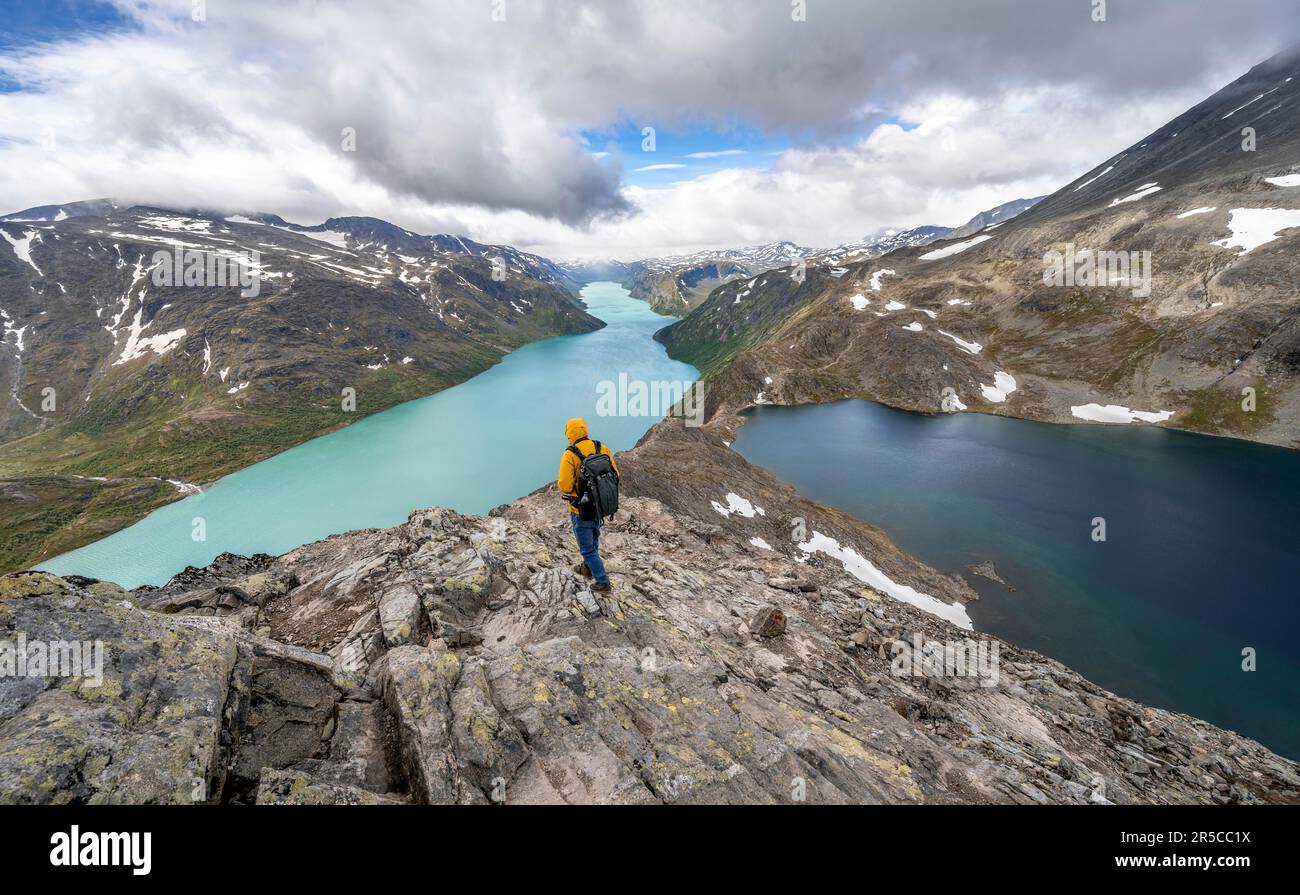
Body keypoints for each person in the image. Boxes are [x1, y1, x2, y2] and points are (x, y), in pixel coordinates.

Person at [557, 417, 619, 592]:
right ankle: (587, 568)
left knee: (587, 548)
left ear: (569, 434)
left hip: (581, 509)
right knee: (594, 539)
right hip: (599, 507)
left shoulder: (571, 454)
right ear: (585, 430)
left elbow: (565, 485)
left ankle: (602, 581)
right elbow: (615, 474)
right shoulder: (600, 447)